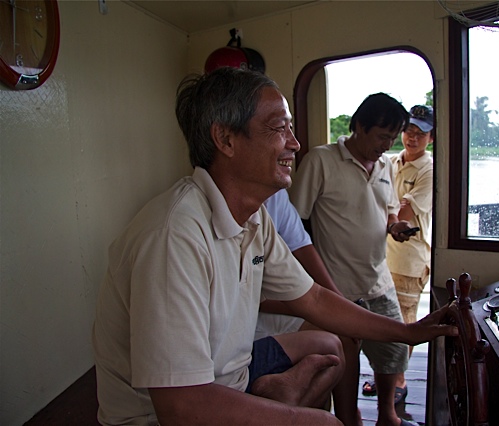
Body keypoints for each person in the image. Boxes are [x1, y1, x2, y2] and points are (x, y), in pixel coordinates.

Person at [92, 68, 457, 426]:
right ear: (226, 139)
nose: (294, 144)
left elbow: (312, 298)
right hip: (160, 414)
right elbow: (181, 408)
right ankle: (276, 397)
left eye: (291, 129)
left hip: (232, 373)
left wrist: (410, 332)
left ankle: (273, 393)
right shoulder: (173, 237)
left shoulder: (253, 218)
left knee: (330, 349)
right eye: (279, 128)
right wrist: (311, 420)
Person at [289, 93, 421, 426]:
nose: (386, 145)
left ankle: (387, 415)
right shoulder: (321, 161)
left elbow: (388, 211)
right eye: (381, 136)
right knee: (341, 360)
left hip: (378, 281)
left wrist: (396, 226)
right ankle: (348, 417)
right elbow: (294, 224)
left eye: (392, 138)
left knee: (391, 353)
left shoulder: (384, 166)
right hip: (336, 288)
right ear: (359, 126)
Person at [258, 189, 363, 426]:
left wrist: (341, 306)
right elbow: (254, 299)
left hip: (274, 301)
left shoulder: (275, 196)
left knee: (345, 333)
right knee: (332, 335)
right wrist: (314, 310)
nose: (293, 149)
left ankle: (348, 419)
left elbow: (302, 247)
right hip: (252, 312)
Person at [385, 104, 435, 400]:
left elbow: (402, 208)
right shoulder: (390, 162)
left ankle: (399, 382)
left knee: (404, 321)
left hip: (409, 259)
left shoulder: (430, 170)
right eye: (408, 131)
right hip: (383, 255)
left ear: (431, 138)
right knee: (384, 319)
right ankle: (387, 375)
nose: (412, 137)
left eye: (420, 133)